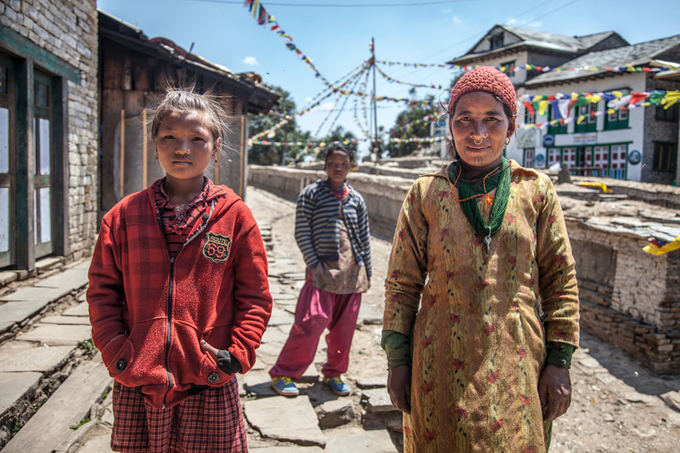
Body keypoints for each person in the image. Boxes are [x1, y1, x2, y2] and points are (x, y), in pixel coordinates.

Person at [381, 66, 579, 452]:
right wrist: (397, 360)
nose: (478, 133)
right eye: (464, 120)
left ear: (512, 125)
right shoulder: (426, 193)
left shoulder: (536, 191)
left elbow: (561, 280)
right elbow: (402, 284)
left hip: (519, 361)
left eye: (492, 119)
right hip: (437, 360)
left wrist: (561, 359)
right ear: (450, 125)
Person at [87, 87, 272, 452]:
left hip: (208, 376)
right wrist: (116, 350)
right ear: (155, 143)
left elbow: (255, 296)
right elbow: (102, 292)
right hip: (139, 379)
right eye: (169, 137)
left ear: (216, 147)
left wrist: (237, 352)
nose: (182, 148)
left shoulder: (234, 217)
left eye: (196, 139)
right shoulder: (123, 217)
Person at [269, 142, 372, 397]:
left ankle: (334, 373)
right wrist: (314, 263)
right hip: (322, 270)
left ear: (351, 166)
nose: (338, 168)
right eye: (333, 164)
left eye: (343, 164)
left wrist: (367, 270)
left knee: (344, 329)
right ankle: (284, 373)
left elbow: (364, 236)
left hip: (352, 274)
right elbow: (302, 230)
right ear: (325, 166)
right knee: (312, 321)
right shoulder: (311, 194)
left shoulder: (356, 198)